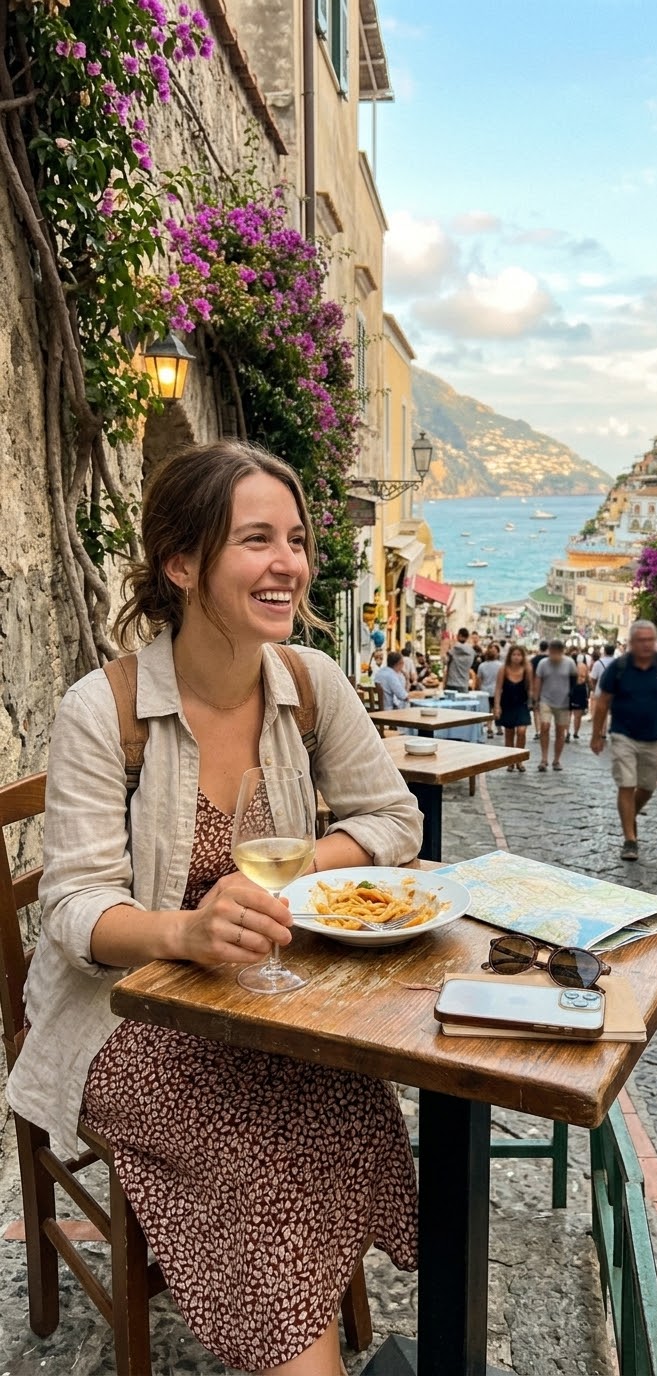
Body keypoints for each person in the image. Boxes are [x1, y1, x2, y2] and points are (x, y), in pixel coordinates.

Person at [6, 441, 421, 1376]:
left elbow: (395, 818)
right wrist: (187, 932)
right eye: (258, 541)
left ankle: (294, 1307)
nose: (291, 565)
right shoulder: (100, 709)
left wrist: (301, 864)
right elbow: (74, 908)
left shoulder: (311, 685)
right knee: (253, 1153)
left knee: (349, 1097)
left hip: (262, 993)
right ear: (182, 564)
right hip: (127, 1011)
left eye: (299, 541)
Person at [590, 620, 657, 862]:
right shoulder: (619, 667)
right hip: (623, 735)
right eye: (641, 640)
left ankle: (628, 816)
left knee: (648, 786)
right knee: (626, 784)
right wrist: (597, 735)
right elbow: (602, 702)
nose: (646, 645)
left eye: (650, 640)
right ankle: (630, 840)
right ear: (631, 643)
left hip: (653, 737)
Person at [531, 639, 576, 772]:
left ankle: (556, 760)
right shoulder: (543, 664)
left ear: (562, 652)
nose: (553, 655)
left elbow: (574, 680)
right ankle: (544, 759)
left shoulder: (569, 663)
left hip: (563, 702)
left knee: (560, 731)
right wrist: (535, 699)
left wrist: (571, 696)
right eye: (551, 652)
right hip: (546, 700)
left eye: (556, 652)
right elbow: (538, 681)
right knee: (544, 726)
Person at [495, 644, 532, 770]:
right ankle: (510, 760)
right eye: (514, 654)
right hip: (507, 704)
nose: (516, 657)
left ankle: (519, 759)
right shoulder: (503, 669)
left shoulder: (527, 670)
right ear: (510, 656)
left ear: (523, 657)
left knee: (522, 731)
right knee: (509, 733)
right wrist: (497, 706)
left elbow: (531, 687)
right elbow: (498, 689)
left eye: (519, 655)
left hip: (521, 704)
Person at [475, 643, 503, 739]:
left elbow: (479, 680)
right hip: (497, 692)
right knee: (497, 709)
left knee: (488, 711)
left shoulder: (482, 666)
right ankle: (499, 728)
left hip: (485, 691)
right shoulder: (501, 666)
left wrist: (478, 690)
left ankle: (489, 729)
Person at [443, 626, 475, 692]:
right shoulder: (472, 651)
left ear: (459, 635)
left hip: (452, 683)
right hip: (464, 684)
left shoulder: (454, 649)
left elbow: (445, 661)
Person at [529, 639, 549, 739]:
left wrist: (531, 689)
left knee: (536, 710)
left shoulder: (534, 660)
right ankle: (545, 731)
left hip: (536, 688)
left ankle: (538, 731)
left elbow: (530, 675)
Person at [569, 659, 590, 740]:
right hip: (581, 690)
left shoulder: (571, 667)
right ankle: (575, 733)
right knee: (578, 715)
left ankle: (567, 732)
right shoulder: (585, 668)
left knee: (568, 713)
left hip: (572, 690)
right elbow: (588, 680)